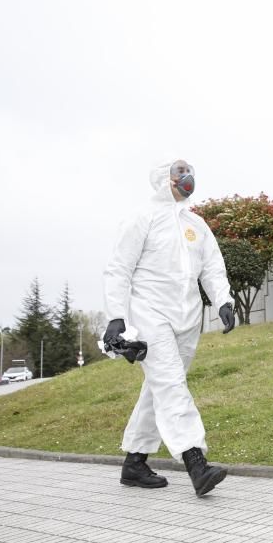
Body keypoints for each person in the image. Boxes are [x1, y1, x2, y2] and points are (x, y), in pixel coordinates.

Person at [103, 159, 237, 497]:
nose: (188, 176)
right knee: (171, 384)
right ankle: (196, 462)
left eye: (190, 170)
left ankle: (135, 462)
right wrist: (117, 316)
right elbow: (119, 269)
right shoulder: (143, 217)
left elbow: (212, 267)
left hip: (189, 317)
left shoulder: (196, 224)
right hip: (151, 313)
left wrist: (224, 301)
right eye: (180, 171)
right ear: (165, 178)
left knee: (160, 387)